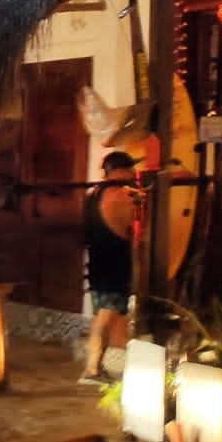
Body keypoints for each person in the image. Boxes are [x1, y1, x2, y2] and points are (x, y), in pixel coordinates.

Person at [82, 150, 140, 385]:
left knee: (104, 315)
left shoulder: (92, 195)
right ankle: (92, 370)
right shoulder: (123, 198)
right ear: (122, 171)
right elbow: (135, 231)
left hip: (97, 260)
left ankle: (98, 368)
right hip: (114, 262)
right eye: (131, 171)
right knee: (105, 317)